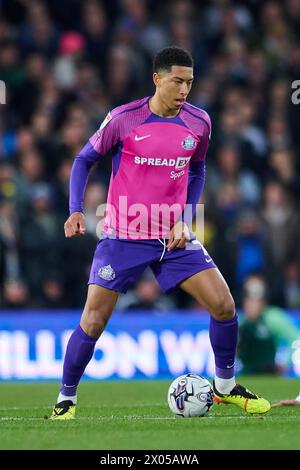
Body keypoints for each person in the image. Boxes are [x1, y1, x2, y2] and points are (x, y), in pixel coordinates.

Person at [50, 46, 270, 419]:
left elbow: (197, 170)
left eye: (189, 82)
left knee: (224, 305)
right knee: (93, 321)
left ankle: (226, 387)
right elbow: (84, 159)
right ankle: (66, 399)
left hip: (173, 237)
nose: (184, 90)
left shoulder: (199, 122)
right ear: (157, 79)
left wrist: (186, 217)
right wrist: (74, 210)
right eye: (177, 81)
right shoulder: (124, 118)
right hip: (123, 235)